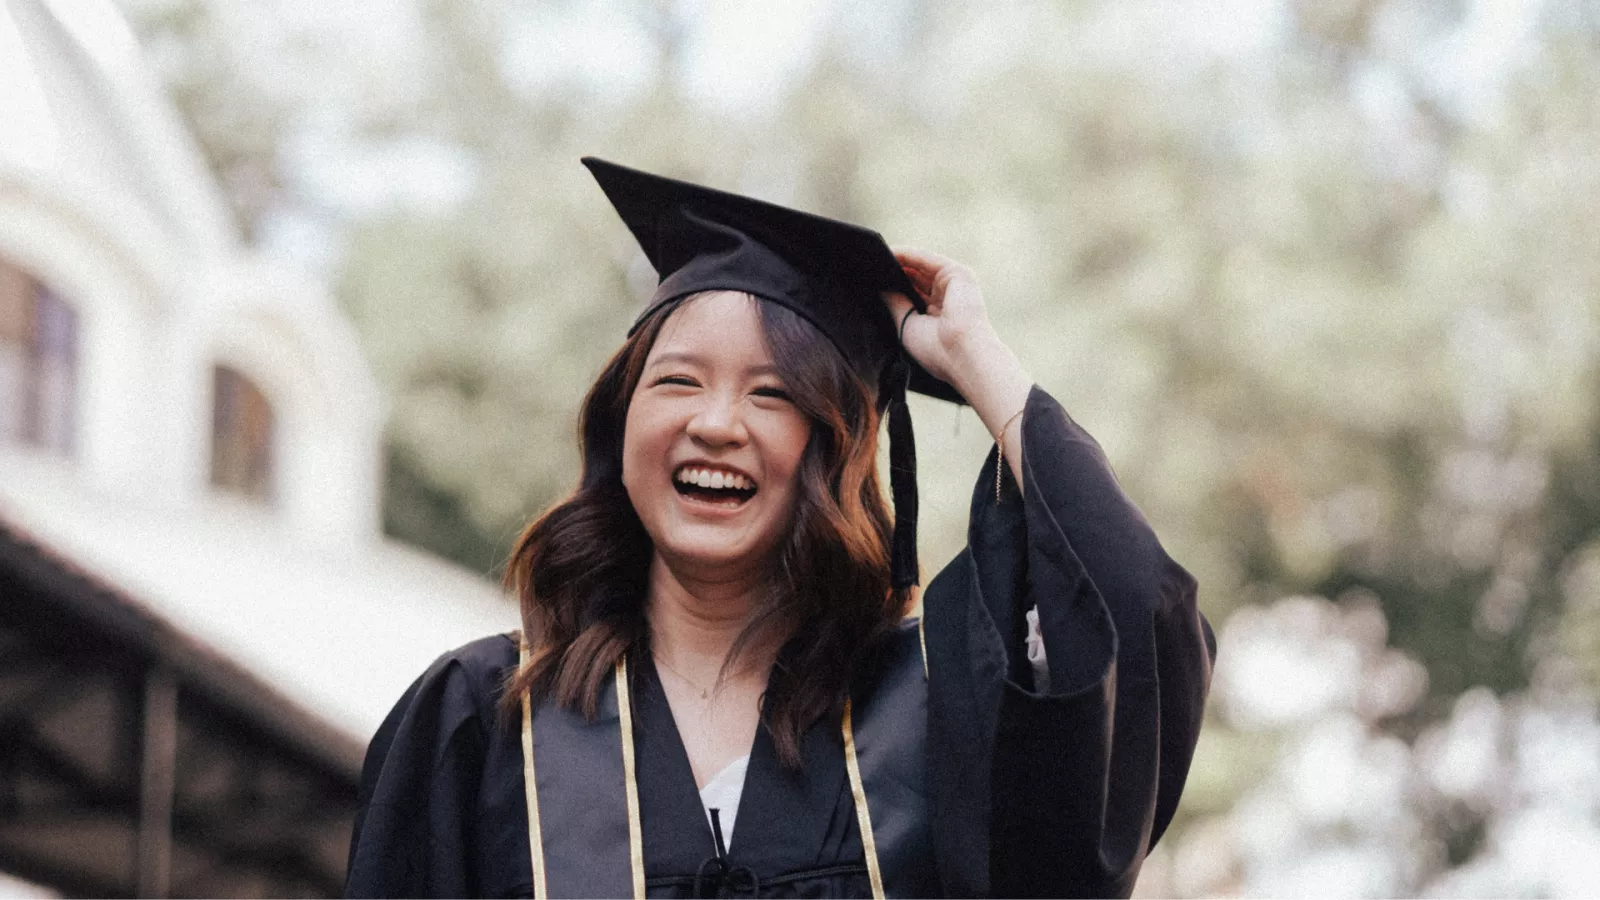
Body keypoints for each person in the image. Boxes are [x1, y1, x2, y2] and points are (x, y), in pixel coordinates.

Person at [344, 157, 1216, 899]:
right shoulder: (482, 719)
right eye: (678, 383)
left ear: (832, 452)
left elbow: (1130, 621)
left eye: (772, 393)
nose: (718, 423)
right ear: (621, 425)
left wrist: (976, 362)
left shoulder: (931, 713)